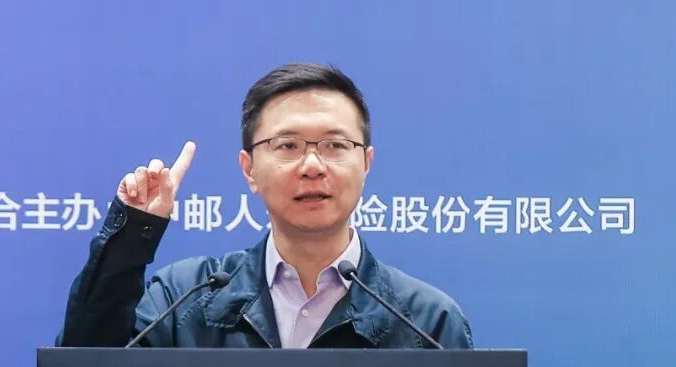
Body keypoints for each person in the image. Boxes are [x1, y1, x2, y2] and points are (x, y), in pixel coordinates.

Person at [57, 63, 472, 349]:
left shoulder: (426, 321)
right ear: (249, 169)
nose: (313, 165)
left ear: (366, 164)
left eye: (335, 145)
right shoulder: (184, 299)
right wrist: (133, 235)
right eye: (288, 146)